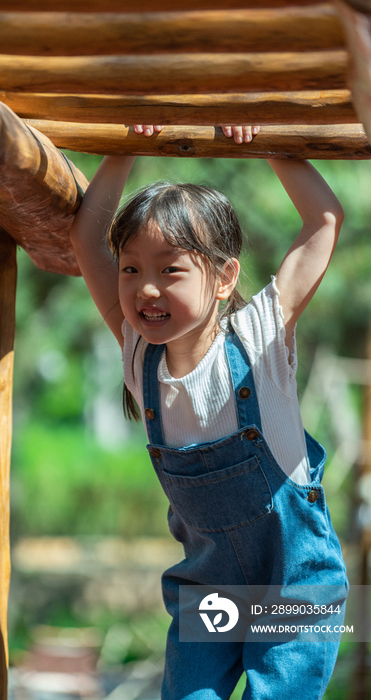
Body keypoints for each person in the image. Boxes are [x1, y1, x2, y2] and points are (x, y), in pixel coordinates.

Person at [68, 126, 348, 699]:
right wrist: (123, 148)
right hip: (208, 590)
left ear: (224, 278)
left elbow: (323, 221)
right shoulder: (138, 355)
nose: (146, 288)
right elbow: (86, 237)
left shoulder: (260, 337)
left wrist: (264, 144)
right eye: (131, 270)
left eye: (170, 269)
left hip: (292, 590)